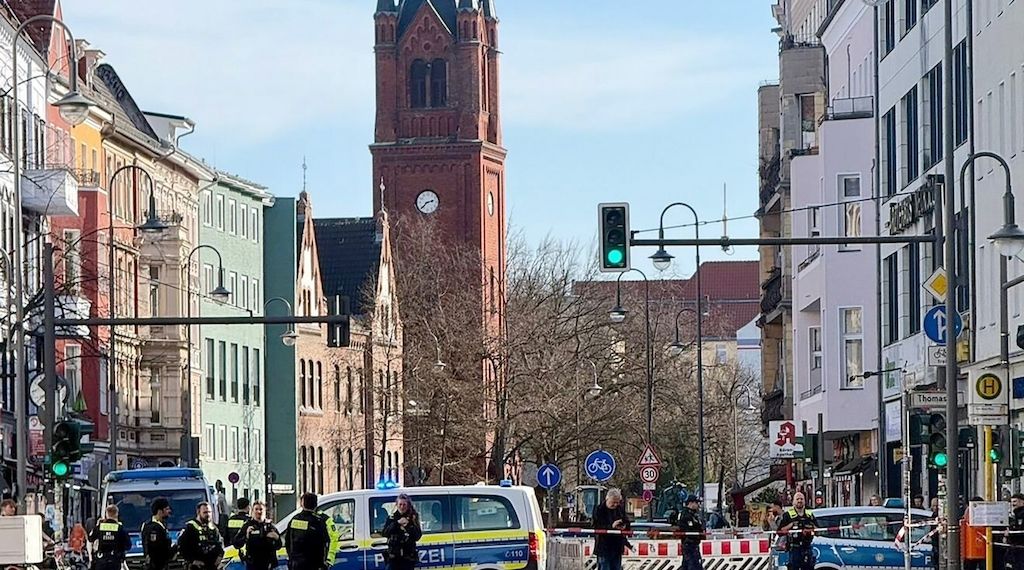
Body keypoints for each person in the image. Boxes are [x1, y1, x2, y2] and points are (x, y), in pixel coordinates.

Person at [285, 493, 330, 570]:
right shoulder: (318, 521)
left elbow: (287, 541)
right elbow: (325, 542)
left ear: (302, 504)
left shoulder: (294, 520)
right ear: (315, 505)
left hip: (295, 564)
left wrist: (291, 558)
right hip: (313, 564)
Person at [234, 501, 281, 570]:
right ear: (252, 511)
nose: (259, 512)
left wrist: (276, 538)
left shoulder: (270, 526)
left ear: (265, 511)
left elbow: (279, 546)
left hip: (268, 564)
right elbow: (236, 544)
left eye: (261, 509)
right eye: (256, 509)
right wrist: (246, 536)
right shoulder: (247, 525)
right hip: (253, 564)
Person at [178, 502, 224, 570]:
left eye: (209, 512)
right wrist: (193, 561)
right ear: (198, 512)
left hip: (212, 566)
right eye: (205, 512)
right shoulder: (191, 527)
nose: (208, 515)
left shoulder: (213, 528)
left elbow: (220, 544)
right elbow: (182, 547)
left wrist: (220, 557)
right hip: (197, 566)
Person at [381, 494, 423, 570]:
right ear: (396, 505)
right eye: (400, 504)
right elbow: (384, 533)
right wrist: (397, 523)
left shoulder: (413, 518)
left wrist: (408, 526)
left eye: (404, 504)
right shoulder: (391, 518)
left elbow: (417, 536)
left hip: (408, 558)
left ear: (408, 506)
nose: (402, 507)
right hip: (393, 558)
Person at [592, 489, 630, 570]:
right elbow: (596, 526)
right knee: (604, 567)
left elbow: (627, 521)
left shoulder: (620, 509)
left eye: (617, 502)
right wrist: (611, 526)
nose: (615, 504)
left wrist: (624, 526)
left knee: (616, 567)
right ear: (607, 499)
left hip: (617, 546)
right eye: (613, 502)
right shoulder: (599, 510)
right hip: (604, 547)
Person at [779, 491, 817, 570]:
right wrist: (791, 525)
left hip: (807, 547)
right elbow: (780, 531)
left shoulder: (809, 514)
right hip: (794, 548)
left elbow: (818, 529)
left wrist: (810, 529)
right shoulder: (788, 515)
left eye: (801, 499)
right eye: (797, 499)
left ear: (804, 501)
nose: (799, 501)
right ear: (793, 501)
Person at [89, 505, 131, 570]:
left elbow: (90, 538)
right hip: (115, 562)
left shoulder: (100, 527)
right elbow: (128, 545)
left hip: (101, 561)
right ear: (117, 514)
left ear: (106, 514)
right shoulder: (120, 528)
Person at [142, 498, 177, 570]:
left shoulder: (161, 525)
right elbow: (159, 552)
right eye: (167, 509)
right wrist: (177, 545)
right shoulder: (153, 528)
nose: (169, 511)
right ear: (159, 511)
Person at [675, 495, 705, 570]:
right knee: (693, 565)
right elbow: (689, 529)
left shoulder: (693, 514)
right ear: (691, 503)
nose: (698, 505)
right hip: (689, 543)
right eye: (697, 503)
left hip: (693, 544)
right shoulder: (686, 514)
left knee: (687, 565)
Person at [1006, 493, 1024, 570]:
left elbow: (1019, 530)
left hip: (1020, 546)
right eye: (1012, 502)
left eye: (1015, 501)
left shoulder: (1021, 514)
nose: (1013, 504)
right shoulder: (1016, 514)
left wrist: (1010, 533)